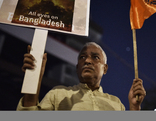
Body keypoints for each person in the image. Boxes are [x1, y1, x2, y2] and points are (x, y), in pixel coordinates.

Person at [17, 42, 146, 110]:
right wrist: (33, 81)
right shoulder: (57, 94)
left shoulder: (117, 104)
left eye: (95, 57)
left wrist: (134, 107)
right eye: (82, 57)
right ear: (77, 67)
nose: (87, 61)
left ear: (105, 69)